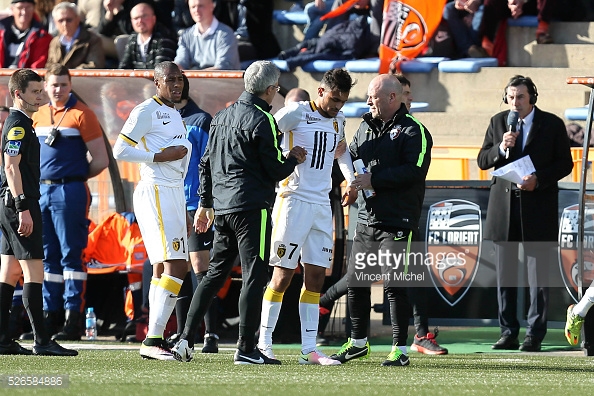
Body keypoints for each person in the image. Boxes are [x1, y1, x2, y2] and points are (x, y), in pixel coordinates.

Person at [171, 60, 306, 364]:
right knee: (254, 275)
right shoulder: (263, 120)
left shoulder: (221, 116)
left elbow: (204, 164)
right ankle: (245, 348)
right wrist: (293, 157)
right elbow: (275, 169)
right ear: (271, 90)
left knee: (214, 273)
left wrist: (206, 202)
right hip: (251, 207)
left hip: (222, 207)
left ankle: (185, 339)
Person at [317, 73, 448, 355]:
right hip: (365, 217)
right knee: (357, 284)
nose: (367, 102)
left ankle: (399, 349)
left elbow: (414, 171)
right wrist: (348, 174)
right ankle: (357, 343)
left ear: (392, 97)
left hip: (397, 221)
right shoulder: (363, 127)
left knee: (395, 285)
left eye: (373, 97)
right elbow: (352, 160)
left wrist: (373, 180)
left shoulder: (415, 131)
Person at [257, 68, 357, 365]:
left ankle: (309, 349)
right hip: (293, 201)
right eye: (334, 99)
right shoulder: (295, 113)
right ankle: (263, 344)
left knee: (315, 276)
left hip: (322, 204)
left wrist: (351, 180)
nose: (338, 106)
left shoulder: (339, 120)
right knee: (282, 274)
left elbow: (342, 152)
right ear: (321, 92)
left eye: (343, 101)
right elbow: (264, 134)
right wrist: (284, 158)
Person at [477, 75, 573, 352]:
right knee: (505, 276)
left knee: (538, 278)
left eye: (520, 96)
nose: (515, 102)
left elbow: (564, 164)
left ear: (532, 97)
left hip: (537, 207)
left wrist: (539, 179)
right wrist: (501, 147)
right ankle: (508, 332)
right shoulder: (498, 122)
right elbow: (483, 160)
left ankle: (535, 334)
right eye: (510, 97)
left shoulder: (552, 123)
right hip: (504, 208)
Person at [113, 61, 192, 361]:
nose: (176, 84)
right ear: (156, 82)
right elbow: (120, 149)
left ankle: (154, 337)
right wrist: (158, 156)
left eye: (180, 79)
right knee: (177, 265)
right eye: (170, 79)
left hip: (171, 193)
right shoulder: (146, 110)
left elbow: (180, 165)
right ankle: (153, 339)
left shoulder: (174, 113)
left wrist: (183, 207)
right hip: (155, 190)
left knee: (162, 268)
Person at [0, 68, 77, 356]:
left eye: (41, 90)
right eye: (35, 91)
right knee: (34, 271)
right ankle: (42, 340)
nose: (41, 96)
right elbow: (11, 166)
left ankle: (3, 340)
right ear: (18, 94)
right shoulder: (18, 123)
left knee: (8, 272)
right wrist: (23, 207)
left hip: (10, 202)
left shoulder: (22, 122)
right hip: (20, 202)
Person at [29, 63, 109, 341]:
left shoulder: (82, 114)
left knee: (71, 254)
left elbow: (100, 159)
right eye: (53, 84)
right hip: (41, 191)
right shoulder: (37, 113)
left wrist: (73, 177)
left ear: (70, 84)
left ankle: (72, 316)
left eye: (63, 84)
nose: (58, 90)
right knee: (46, 256)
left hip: (70, 191)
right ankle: (50, 317)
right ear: (45, 86)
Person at [176, 74, 219, 353]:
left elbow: (208, 165)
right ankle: (182, 334)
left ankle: (211, 334)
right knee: (177, 266)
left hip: (194, 204)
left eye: (175, 82)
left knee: (200, 266)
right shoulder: (160, 118)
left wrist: (205, 203)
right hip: (169, 203)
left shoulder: (201, 120)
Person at [174, 0, 240, 70]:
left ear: (212, 6)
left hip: (220, 80)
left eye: (201, 6)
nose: (196, 10)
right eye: (193, 7)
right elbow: (181, 62)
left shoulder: (226, 34)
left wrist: (195, 76)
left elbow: (223, 67)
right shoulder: (186, 36)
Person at [46, 2, 105, 69]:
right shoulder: (54, 42)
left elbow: (95, 66)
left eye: (69, 20)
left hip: (82, 79)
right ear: (55, 23)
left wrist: (69, 74)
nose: (65, 24)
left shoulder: (92, 39)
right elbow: (49, 66)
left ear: (77, 19)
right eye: (61, 20)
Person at [118, 2, 177, 69]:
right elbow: (123, 67)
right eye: (136, 18)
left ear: (154, 18)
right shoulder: (133, 38)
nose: (140, 21)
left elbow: (160, 71)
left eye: (144, 16)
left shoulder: (164, 38)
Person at [0, 0, 53, 68]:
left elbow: (37, 67)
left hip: (26, 77)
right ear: (12, 9)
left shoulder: (42, 37)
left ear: (34, 9)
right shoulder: (1, 33)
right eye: (20, 7)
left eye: (28, 7)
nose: (24, 12)